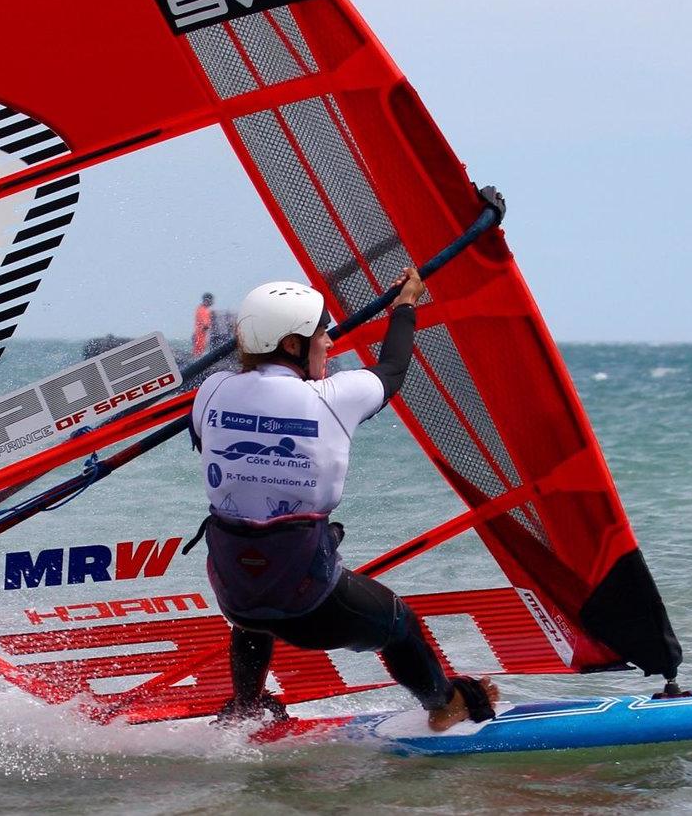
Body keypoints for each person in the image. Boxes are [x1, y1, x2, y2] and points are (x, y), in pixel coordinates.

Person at [186, 270, 499, 731]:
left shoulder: (211, 390)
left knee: (255, 609)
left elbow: (205, 439)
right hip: (311, 606)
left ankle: (246, 707)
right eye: (321, 334)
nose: (329, 343)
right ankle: (446, 705)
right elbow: (392, 370)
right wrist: (405, 305)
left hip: (234, 591)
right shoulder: (335, 397)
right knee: (398, 624)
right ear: (292, 345)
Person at [192, 292, 215, 358]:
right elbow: (206, 325)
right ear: (207, 300)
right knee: (199, 354)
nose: (212, 303)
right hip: (201, 336)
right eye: (211, 301)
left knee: (197, 353)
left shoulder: (200, 308)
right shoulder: (203, 310)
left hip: (198, 335)